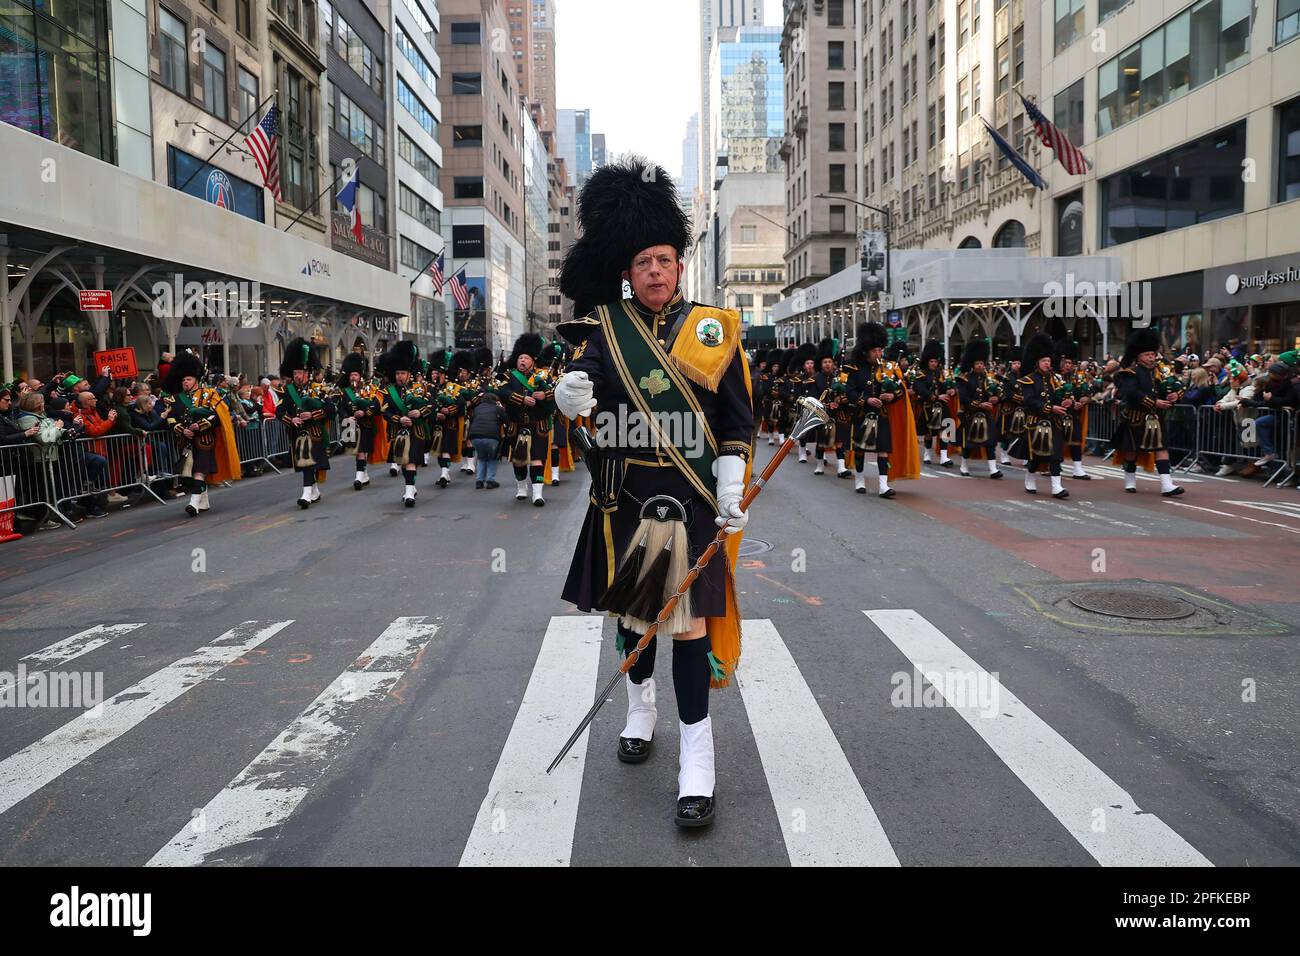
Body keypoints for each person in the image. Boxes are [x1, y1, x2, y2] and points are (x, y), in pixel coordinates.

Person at [554, 157, 754, 828]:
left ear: (679, 262)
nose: (657, 272)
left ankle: (697, 760)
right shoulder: (604, 331)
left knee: (689, 629)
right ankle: (640, 711)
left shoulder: (713, 329)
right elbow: (585, 400)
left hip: (692, 499)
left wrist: (729, 483)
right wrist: (571, 398)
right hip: (629, 498)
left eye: (666, 259)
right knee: (638, 622)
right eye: (644, 262)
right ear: (628, 270)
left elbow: (735, 420)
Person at [161, 350, 241, 516]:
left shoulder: (209, 394)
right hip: (186, 441)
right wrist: (183, 430)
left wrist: (201, 426)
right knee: (189, 473)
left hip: (205, 439)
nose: (185, 382)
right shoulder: (176, 399)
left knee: (199, 470)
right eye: (183, 380)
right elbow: (171, 419)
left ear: (196, 379)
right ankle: (203, 500)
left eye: (188, 379)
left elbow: (217, 416)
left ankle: (193, 502)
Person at [846, 322, 920, 497]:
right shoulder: (855, 368)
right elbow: (850, 391)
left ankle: (883, 485)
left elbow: (900, 389)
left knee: (883, 449)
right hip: (863, 414)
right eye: (875, 351)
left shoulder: (888, 368)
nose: (878, 354)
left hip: (882, 415)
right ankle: (859, 480)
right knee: (860, 449)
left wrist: (893, 396)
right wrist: (866, 400)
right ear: (866, 351)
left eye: (880, 350)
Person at [1111, 328, 1184, 496]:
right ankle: (1130, 480)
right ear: (1138, 356)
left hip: (1157, 419)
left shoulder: (1162, 371)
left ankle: (1167, 485)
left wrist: (1175, 395)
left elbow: (1179, 386)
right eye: (1146, 354)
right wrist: (1155, 402)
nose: (1151, 357)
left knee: (1161, 447)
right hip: (1135, 419)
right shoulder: (1130, 373)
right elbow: (1132, 393)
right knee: (1131, 451)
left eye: (1152, 354)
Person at [274, 337, 336, 509]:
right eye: (294, 374)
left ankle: (306, 492)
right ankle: (313, 490)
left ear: (307, 373)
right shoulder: (288, 391)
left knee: (310, 463)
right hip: (297, 433)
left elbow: (331, 410)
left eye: (300, 373)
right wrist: (290, 419)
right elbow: (278, 411)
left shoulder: (319, 390)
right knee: (307, 464)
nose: (297, 376)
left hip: (315, 433)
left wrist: (313, 415)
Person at [497, 332, 555, 506]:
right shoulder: (509, 376)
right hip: (517, 424)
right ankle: (521, 488)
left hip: (539, 425)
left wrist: (544, 395)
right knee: (519, 460)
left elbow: (555, 394)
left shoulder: (544, 376)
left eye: (526, 358)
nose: (522, 361)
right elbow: (501, 393)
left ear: (533, 360)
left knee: (538, 458)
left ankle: (537, 494)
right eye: (520, 358)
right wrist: (521, 399)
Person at [1014, 333, 1070, 499]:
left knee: (1055, 456)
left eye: (1049, 360)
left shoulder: (1056, 379)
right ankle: (1029, 478)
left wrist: (1067, 402)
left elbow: (1059, 397)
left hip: (1054, 423)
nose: (1047, 363)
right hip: (1036, 423)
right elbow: (1030, 401)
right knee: (1036, 456)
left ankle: (1056, 487)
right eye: (1044, 361)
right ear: (1037, 362)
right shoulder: (1028, 380)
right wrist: (1050, 408)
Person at [378, 341, 431, 507]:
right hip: (398, 431)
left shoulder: (421, 388)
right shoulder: (389, 392)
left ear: (410, 373)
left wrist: (420, 412)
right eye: (398, 373)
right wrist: (398, 419)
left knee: (411, 461)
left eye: (403, 373)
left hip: (417, 430)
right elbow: (385, 412)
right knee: (405, 462)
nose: (400, 376)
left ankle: (409, 492)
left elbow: (433, 406)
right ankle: (411, 487)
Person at [954, 339, 1003, 479]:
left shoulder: (988, 379)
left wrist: (996, 398)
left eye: (982, 363)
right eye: (977, 363)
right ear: (972, 364)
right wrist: (980, 405)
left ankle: (993, 469)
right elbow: (963, 398)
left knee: (991, 442)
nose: (980, 366)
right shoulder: (963, 378)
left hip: (986, 415)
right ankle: (964, 465)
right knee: (968, 444)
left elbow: (995, 393)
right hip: (970, 414)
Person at [337, 352, 387, 489]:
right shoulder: (345, 392)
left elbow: (375, 405)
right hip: (351, 425)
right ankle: (363, 473)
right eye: (351, 375)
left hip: (366, 424)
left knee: (362, 451)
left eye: (356, 375)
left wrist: (364, 412)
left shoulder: (369, 389)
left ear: (360, 376)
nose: (353, 377)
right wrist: (346, 417)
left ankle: (359, 476)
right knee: (357, 452)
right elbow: (341, 408)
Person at [466, 389, 507, 488]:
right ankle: (490, 480)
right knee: (493, 457)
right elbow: (505, 420)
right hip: (491, 436)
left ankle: (479, 480)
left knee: (481, 457)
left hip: (475, 436)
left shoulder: (477, 408)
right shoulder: (497, 408)